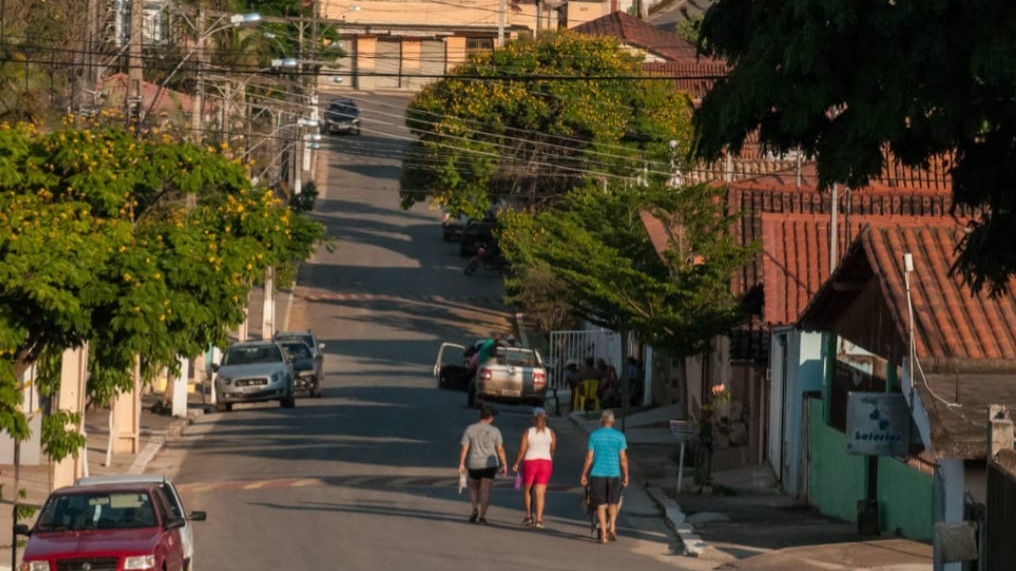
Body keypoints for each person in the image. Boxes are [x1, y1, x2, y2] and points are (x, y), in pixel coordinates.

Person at [579, 409, 629, 544]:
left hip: (598, 474)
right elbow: (623, 458)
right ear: (613, 421)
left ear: (601, 421)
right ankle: (612, 527)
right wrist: (626, 476)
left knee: (600, 504)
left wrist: (584, 474)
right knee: (613, 502)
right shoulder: (620, 436)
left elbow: (589, 458)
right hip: (614, 473)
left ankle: (603, 535)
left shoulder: (594, 436)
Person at [459, 404, 508, 524]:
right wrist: (504, 464)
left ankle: (475, 508)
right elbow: (500, 449)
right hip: (490, 464)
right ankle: (482, 516)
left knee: (473, 486)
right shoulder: (495, 431)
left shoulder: (470, 429)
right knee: (485, 489)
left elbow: (464, 448)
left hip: (474, 463)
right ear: (490, 417)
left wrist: (461, 463)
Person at [512, 407, 557, 528]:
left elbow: (522, 450)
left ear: (533, 419)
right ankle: (539, 520)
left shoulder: (528, 432)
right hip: (545, 463)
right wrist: (549, 459)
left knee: (528, 490)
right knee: (540, 492)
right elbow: (552, 450)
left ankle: (528, 516)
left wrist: (516, 463)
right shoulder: (551, 433)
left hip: (530, 462)